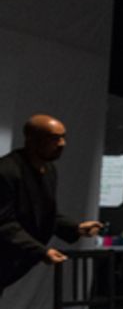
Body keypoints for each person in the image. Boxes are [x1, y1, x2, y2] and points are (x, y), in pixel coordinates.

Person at [0, 115, 104, 296]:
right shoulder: (6, 171)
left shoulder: (48, 170)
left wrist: (76, 228)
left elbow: (43, 212)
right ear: (32, 140)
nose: (62, 143)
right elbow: (4, 223)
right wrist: (41, 252)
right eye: (54, 138)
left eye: (63, 137)